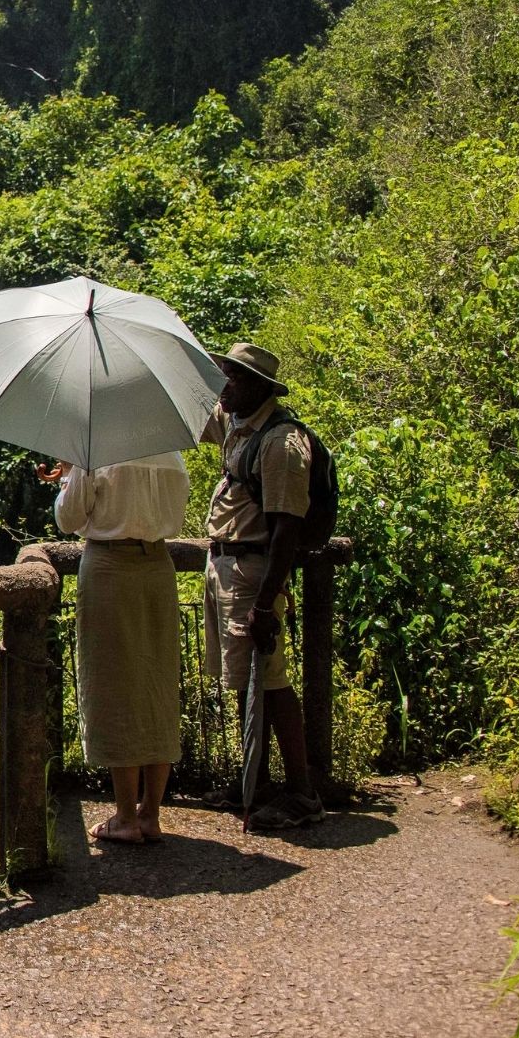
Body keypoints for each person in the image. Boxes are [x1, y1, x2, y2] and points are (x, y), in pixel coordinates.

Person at [201, 340, 323, 831]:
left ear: (259, 387)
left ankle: (302, 793)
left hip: (254, 572)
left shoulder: (281, 444)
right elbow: (187, 418)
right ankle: (256, 780)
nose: (222, 385)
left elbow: (286, 529)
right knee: (244, 680)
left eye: (232, 378)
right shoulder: (236, 423)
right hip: (227, 565)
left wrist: (267, 603)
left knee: (270, 681)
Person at [41, 448, 190, 845]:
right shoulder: (171, 455)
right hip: (159, 567)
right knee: (156, 684)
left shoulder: (96, 454)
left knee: (114, 685)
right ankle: (150, 814)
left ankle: (125, 816)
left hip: (109, 569)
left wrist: (73, 471)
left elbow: (67, 519)